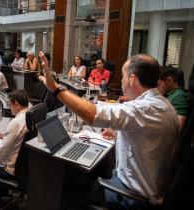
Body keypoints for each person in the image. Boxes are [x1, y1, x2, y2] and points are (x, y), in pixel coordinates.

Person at [38, 51, 179, 208]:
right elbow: (146, 136)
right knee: (91, 170)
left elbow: (92, 115)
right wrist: (117, 133)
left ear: (132, 79)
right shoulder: (164, 105)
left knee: (66, 185)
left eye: (123, 76)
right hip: (142, 188)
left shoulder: (146, 109)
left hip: (129, 198)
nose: (121, 80)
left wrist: (56, 88)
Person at [0, 89, 29, 178]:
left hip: (6, 168)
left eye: (10, 104)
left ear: (16, 104)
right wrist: (3, 136)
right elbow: (19, 137)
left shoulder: (16, 122)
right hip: (21, 166)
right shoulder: (29, 115)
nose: (9, 107)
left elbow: (0, 152)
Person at [158, 66, 188, 131]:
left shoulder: (179, 97)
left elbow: (177, 129)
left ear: (169, 80)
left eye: (159, 84)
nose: (157, 87)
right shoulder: (168, 94)